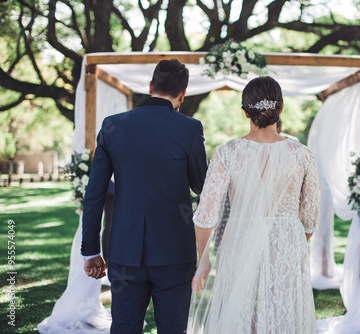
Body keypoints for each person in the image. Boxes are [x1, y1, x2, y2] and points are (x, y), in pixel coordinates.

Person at [81, 59, 208, 333]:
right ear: (182, 95)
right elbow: (202, 186)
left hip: (125, 252)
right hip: (175, 253)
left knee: (124, 328)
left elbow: (95, 193)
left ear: (151, 86)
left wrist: (91, 250)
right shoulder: (189, 128)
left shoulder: (113, 125)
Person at [188, 76, 319, 333]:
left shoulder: (228, 152)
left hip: (240, 240)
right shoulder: (302, 154)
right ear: (280, 109)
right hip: (288, 245)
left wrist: (203, 261)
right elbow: (311, 217)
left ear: (245, 112)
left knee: (242, 315)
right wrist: (289, 244)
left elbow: (205, 215)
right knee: (283, 316)